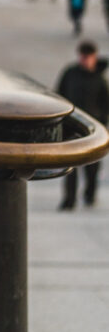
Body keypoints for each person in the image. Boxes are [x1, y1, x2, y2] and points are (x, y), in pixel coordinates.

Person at [57, 42, 109, 209]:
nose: (85, 60)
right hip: (71, 126)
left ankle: (89, 195)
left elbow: (106, 104)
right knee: (70, 165)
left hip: (93, 128)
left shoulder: (100, 79)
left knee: (92, 167)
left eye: (88, 57)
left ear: (94, 57)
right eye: (83, 56)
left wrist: (104, 126)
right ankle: (69, 200)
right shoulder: (70, 73)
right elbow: (59, 95)